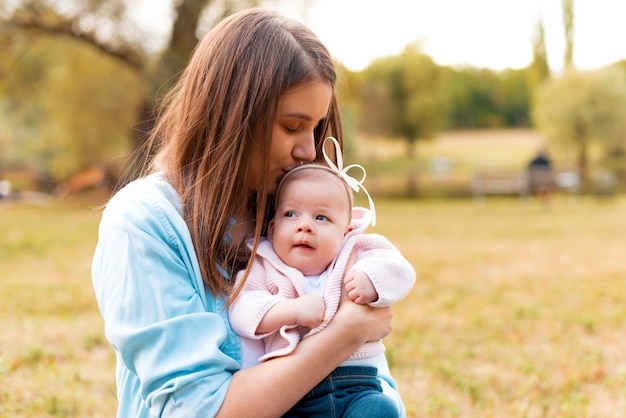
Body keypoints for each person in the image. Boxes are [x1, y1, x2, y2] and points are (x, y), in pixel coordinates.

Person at [91, 8, 395, 418]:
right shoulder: (144, 223)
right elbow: (198, 410)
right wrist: (347, 332)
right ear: (231, 114)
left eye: (315, 128)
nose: (309, 150)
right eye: (291, 126)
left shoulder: (292, 213)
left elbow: (368, 380)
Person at [229, 137, 416, 417]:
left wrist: (370, 279)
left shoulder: (354, 250)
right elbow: (241, 310)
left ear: (346, 229)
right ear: (272, 226)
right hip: (293, 392)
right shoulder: (264, 265)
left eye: (321, 218)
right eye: (290, 214)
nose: (304, 226)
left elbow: (401, 271)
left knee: (380, 408)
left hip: (357, 384)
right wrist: (288, 311)